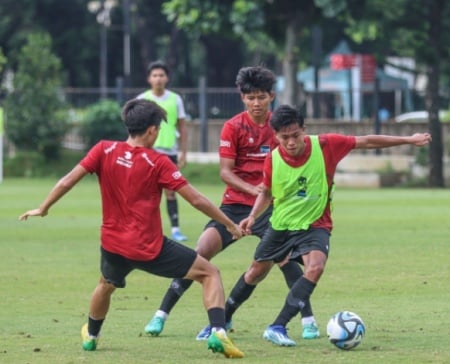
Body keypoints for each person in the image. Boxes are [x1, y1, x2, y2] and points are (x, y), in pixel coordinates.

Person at [18, 99, 244, 358]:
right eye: (158, 128)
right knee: (210, 273)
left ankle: (91, 336)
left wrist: (43, 208)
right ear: (151, 130)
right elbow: (196, 199)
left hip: (113, 245)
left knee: (105, 284)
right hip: (149, 248)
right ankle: (218, 333)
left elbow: (67, 180)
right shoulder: (158, 162)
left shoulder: (104, 149)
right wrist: (229, 224)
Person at [144, 66, 321, 341]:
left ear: (271, 96)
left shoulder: (280, 129)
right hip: (235, 206)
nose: (256, 103)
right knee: (199, 253)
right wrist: (255, 190)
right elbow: (226, 172)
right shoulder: (233, 126)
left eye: (261, 97)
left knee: (285, 259)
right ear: (242, 98)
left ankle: (308, 321)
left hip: (270, 209)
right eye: (250, 97)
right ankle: (160, 315)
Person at [236, 104, 431, 347]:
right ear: (276, 136)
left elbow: (367, 141)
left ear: (304, 130)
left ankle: (277, 326)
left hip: (316, 223)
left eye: (296, 135)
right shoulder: (273, 159)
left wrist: (408, 140)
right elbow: (266, 192)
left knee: (315, 267)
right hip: (282, 225)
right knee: (255, 273)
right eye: (284, 137)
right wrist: (253, 216)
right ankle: (221, 320)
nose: (291, 142)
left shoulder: (326, 145)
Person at [137, 60, 189, 242]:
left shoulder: (176, 99)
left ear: (166, 78)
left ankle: (175, 228)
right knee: (144, 192)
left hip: (169, 152)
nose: (158, 79)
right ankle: (142, 228)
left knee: (171, 191)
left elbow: (182, 126)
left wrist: (184, 151)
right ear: (149, 79)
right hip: (147, 152)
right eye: (155, 75)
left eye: (161, 75)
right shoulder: (141, 99)